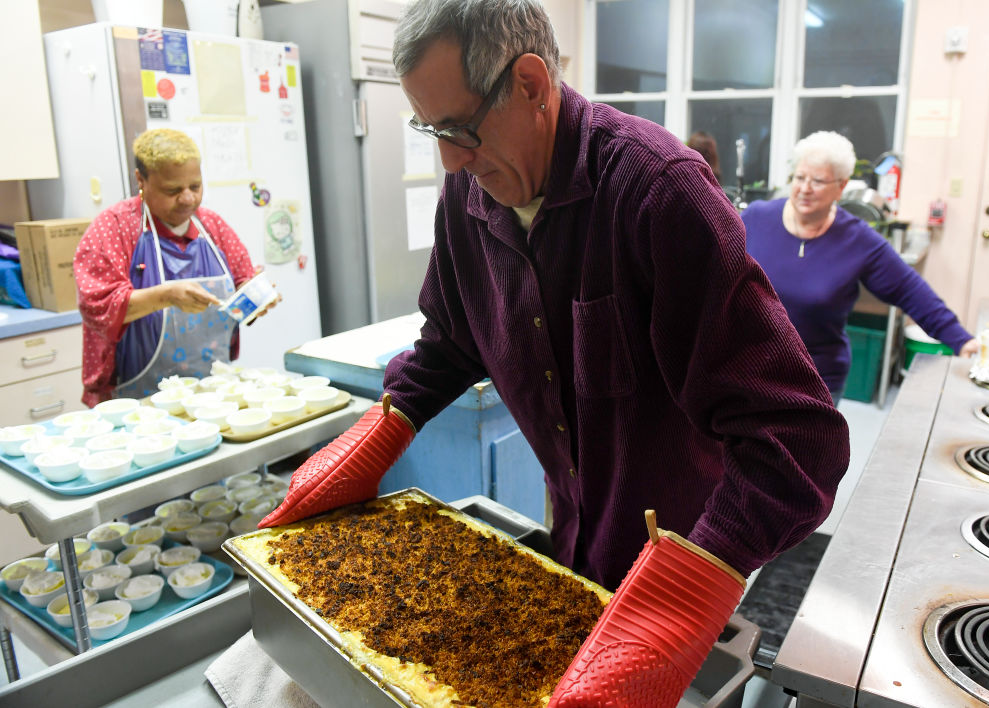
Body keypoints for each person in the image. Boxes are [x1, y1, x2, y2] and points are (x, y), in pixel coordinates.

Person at [260, 1, 850, 705]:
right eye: (430, 130)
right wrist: (385, 426)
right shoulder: (469, 196)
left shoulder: (656, 192)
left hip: (687, 556)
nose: (449, 159)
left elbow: (798, 442)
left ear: (532, 85)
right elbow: (451, 341)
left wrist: (683, 595)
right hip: (575, 528)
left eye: (459, 129)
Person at [742, 131, 979, 405]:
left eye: (818, 181)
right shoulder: (756, 219)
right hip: (750, 369)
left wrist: (960, 339)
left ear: (841, 187)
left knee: (804, 448)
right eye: (799, 177)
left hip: (815, 379)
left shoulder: (857, 240)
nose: (805, 188)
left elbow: (911, 291)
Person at [74, 128, 261, 406]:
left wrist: (256, 296)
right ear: (141, 179)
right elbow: (97, 307)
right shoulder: (114, 227)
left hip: (213, 392)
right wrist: (165, 296)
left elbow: (243, 283)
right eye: (173, 190)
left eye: (195, 186)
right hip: (134, 397)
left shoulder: (211, 226)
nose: (187, 199)